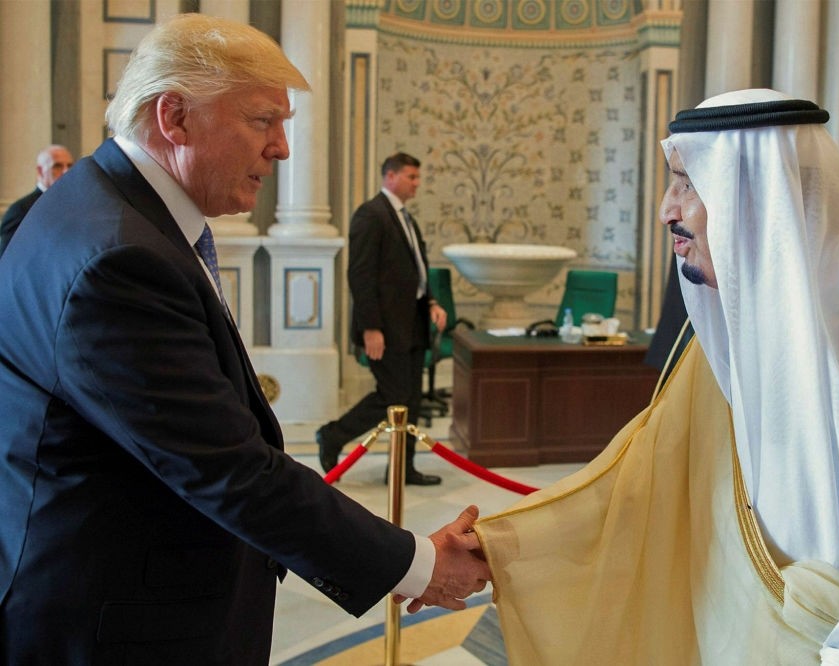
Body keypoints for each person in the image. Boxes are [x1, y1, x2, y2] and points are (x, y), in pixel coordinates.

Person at [0, 14, 488, 664]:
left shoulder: (92, 207)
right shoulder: (118, 259)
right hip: (118, 623)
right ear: (174, 118)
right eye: (263, 121)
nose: (283, 148)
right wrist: (420, 564)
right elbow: (228, 470)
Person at [474, 89, 839, 664]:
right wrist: (496, 548)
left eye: (688, 183)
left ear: (753, 189)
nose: (667, 210)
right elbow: (642, 483)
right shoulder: (729, 324)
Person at [315, 153, 447, 485]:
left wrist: (431, 301)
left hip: (412, 323)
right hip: (385, 328)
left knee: (411, 399)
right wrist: (371, 327)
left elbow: (415, 269)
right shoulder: (370, 215)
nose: (417, 183)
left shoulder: (406, 218)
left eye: (418, 177)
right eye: (411, 177)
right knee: (392, 394)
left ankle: (402, 468)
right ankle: (332, 435)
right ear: (390, 177)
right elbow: (360, 276)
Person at [0, 144, 74, 255]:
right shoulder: (21, 210)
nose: (66, 171)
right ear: (40, 171)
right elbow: (9, 258)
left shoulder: (75, 204)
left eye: (69, 166)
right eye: (57, 166)